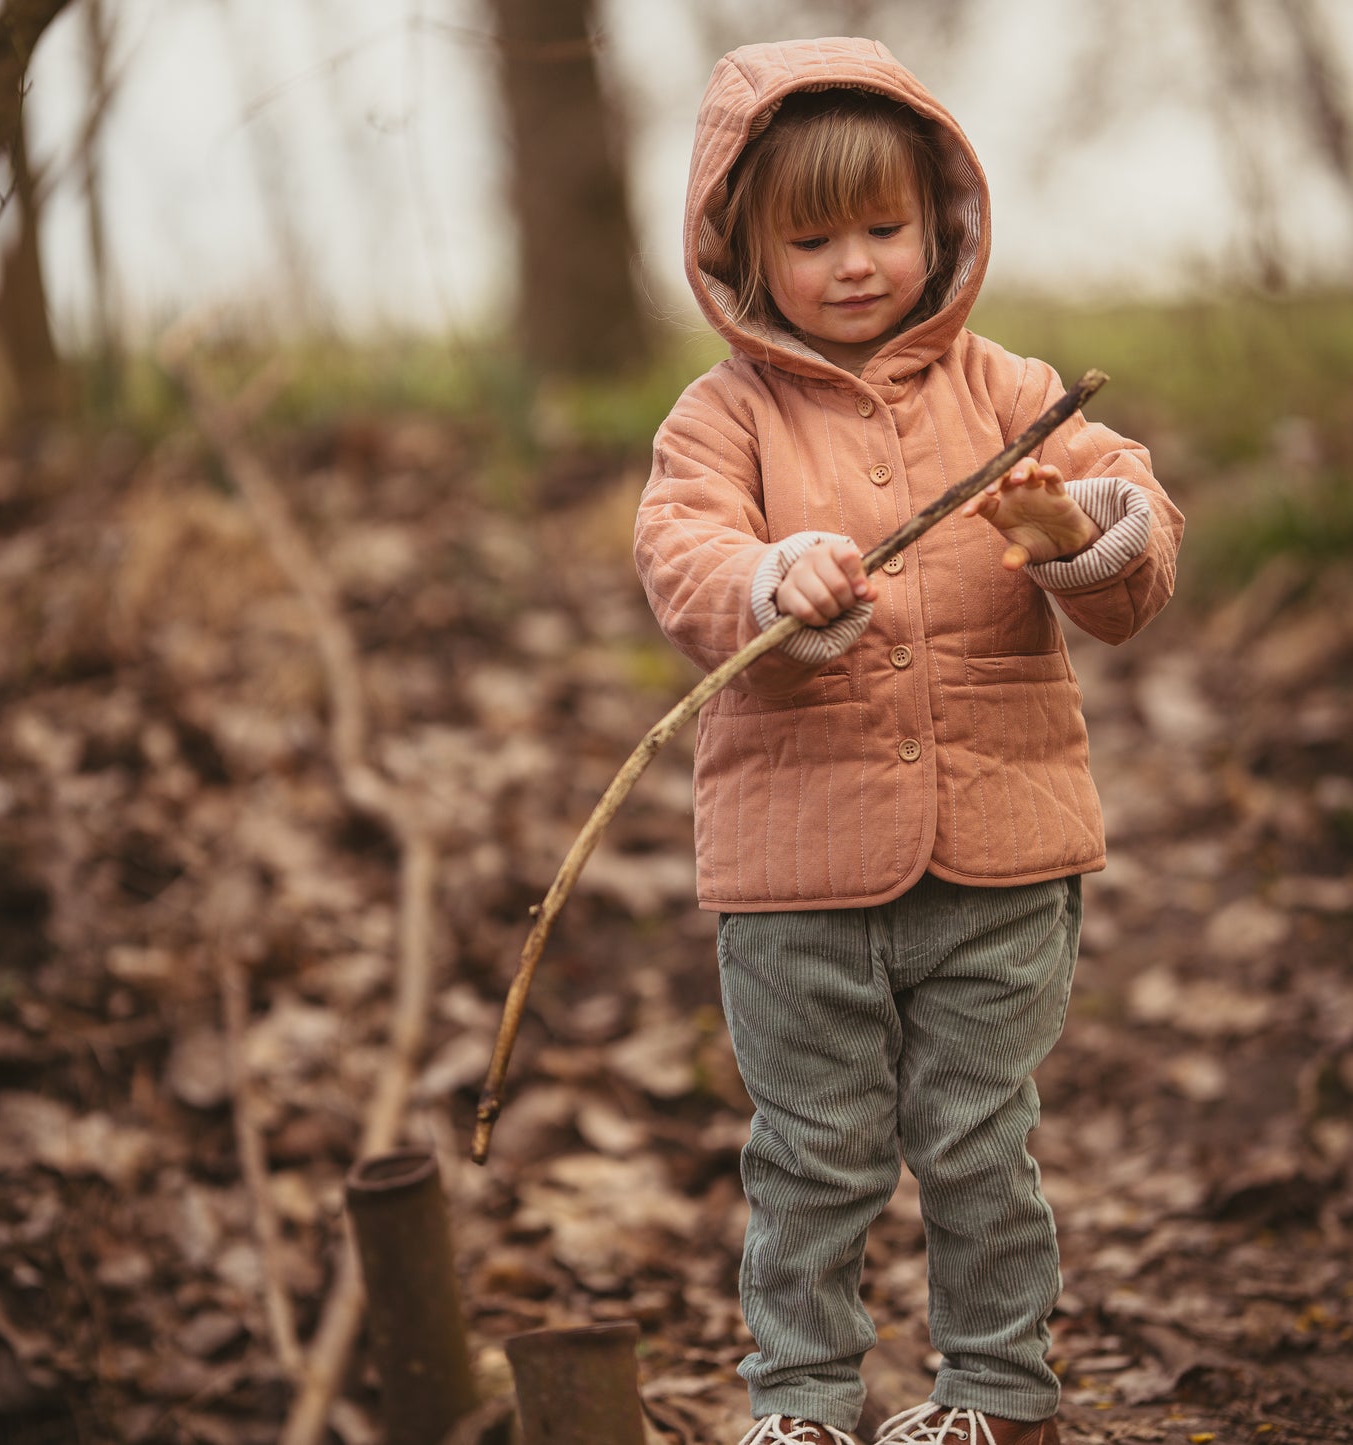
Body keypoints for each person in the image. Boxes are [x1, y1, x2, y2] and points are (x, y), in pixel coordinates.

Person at [633, 37, 1184, 1445]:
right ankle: (802, 1404)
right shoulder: (721, 418)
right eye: (809, 238)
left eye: (882, 226)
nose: (856, 263)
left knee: (976, 1142)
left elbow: (1134, 541)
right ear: (742, 253)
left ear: (940, 219)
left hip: (999, 852)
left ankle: (996, 1394)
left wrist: (1074, 536)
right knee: (808, 1154)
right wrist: (769, 578)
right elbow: (683, 556)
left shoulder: (1007, 393)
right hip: (795, 870)